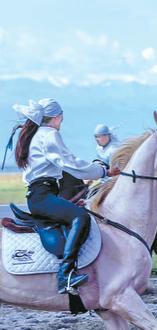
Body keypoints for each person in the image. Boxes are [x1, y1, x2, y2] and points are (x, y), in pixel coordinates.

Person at [12, 99, 119, 294]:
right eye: (61, 117)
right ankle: (66, 274)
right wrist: (103, 171)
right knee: (81, 217)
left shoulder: (35, 134)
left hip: (43, 193)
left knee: (76, 211)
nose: (62, 121)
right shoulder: (49, 134)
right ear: (57, 117)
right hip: (43, 195)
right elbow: (71, 164)